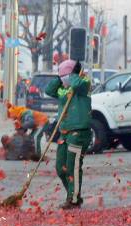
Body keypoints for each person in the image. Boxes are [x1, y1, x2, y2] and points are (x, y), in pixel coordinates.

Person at [45, 59, 92, 210]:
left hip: (79, 133)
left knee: (73, 167)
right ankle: (73, 194)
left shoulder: (83, 83)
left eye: (67, 75)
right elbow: (49, 90)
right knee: (61, 168)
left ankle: (74, 199)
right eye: (62, 76)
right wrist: (59, 79)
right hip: (64, 133)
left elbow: (77, 85)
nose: (65, 79)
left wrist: (72, 76)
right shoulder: (62, 89)